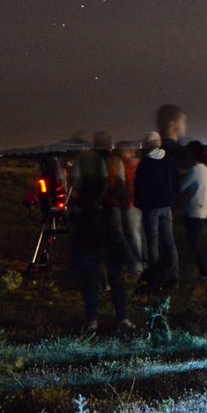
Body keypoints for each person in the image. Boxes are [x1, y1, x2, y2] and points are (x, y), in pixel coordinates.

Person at [70, 132, 135, 332]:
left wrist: (85, 204)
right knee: (116, 271)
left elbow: (74, 185)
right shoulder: (115, 162)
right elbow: (119, 188)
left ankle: (91, 321)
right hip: (110, 215)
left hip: (88, 220)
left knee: (91, 273)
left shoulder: (83, 159)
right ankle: (122, 318)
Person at [134, 131, 179, 284]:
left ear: (146, 145)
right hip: (167, 205)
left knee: (152, 242)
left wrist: (139, 203)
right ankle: (174, 273)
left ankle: (155, 276)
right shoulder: (170, 160)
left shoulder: (144, 163)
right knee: (169, 241)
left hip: (151, 208)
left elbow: (139, 186)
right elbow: (176, 181)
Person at [181, 141, 207, 283]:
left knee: (196, 243)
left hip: (193, 210)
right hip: (201, 210)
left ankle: (204, 273)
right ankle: (203, 272)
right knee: (197, 242)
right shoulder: (204, 169)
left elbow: (181, 186)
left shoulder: (195, 170)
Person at [115, 141, 145, 274]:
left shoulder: (125, 165)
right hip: (139, 203)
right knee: (139, 235)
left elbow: (122, 185)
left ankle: (138, 266)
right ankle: (144, 262)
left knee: (133, 235)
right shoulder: (140, 164)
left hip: (130, 203)